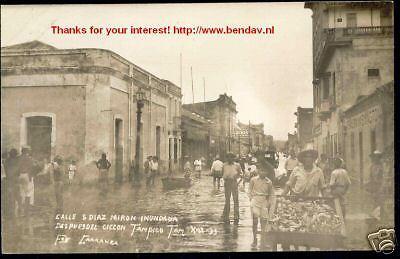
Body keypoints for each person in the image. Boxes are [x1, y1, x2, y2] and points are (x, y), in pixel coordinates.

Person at [248, 162, 275, 247]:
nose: (262, 172)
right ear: (258, 171)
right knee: (255, 221)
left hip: (264, 202)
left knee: (264, 222)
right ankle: (254, 240)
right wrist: (251, 199)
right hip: (255, 201)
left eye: (264, 171)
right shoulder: (253, 180)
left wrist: (269, 203)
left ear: (267, 172)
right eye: (261, 170)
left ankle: (263, 240)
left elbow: (271, 194)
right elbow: (249, 191)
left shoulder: (269, 182)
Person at [222, 152, 243, 224]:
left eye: (231, 157)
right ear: (226, 158)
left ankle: (236, 216)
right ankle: (226, 216)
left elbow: (241, 174)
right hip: (227, 183)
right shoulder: (224, 165)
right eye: (228, 157)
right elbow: (222, 173)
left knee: (235, 200)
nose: (230, 158)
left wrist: (238, 182)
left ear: (233, 158)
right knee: (227, 200)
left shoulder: (237, 165)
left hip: (234, 183)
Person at [18, 146, 36, 216]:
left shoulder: (18, 158)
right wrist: (30, 177)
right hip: (27, 175)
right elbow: (31, 168)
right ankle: (27, 208)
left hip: (19, 175)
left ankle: (21, 207)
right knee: (28, 192)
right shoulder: (29, 159)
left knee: (21, 191)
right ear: (27, 151)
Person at [4, 149, 20, 218]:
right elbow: (18, 171)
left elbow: (6, 171)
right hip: (15, 180)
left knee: (10, 196)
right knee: (16, 195)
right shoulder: (17, 161)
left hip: (9, 180)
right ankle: (17, 210)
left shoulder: (7, 161)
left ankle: (11, 212)